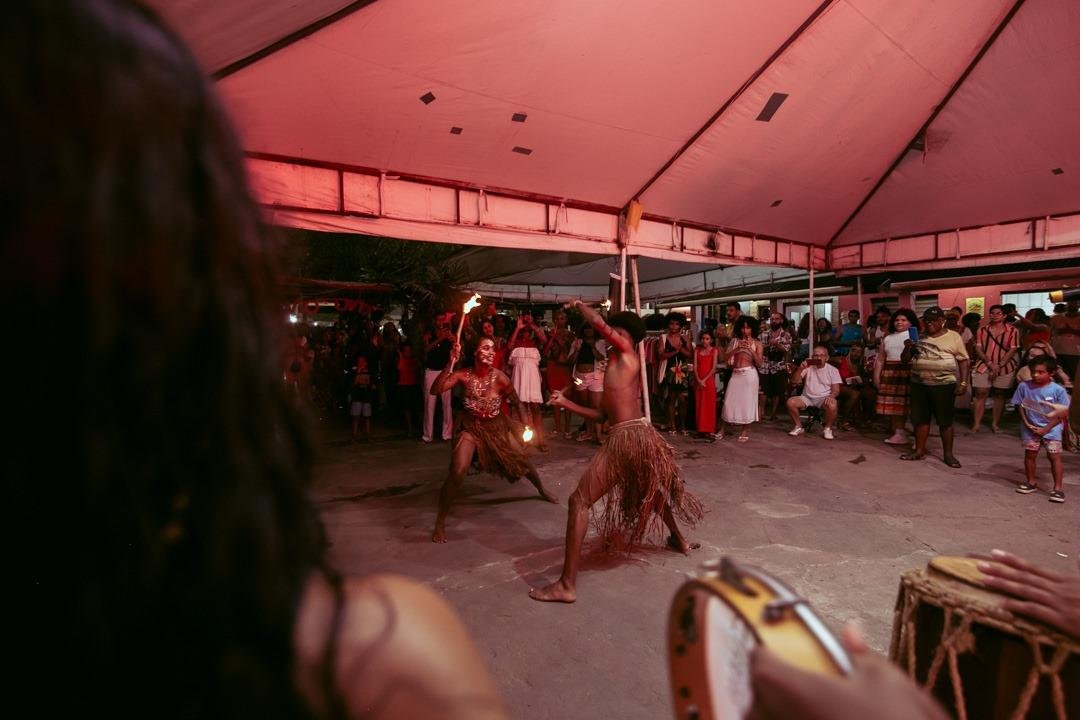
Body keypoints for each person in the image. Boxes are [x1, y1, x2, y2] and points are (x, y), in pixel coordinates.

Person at [4, 2, 508, 717]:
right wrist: (452, 367)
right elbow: (445, 386)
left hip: (492, 423)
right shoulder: (389, 661)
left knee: (517, 464)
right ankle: (441, 518)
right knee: (454, 475)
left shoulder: (497, 368)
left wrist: (523, 398)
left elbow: (497, 391)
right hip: (468, 428)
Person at [530, 303, 703, 603]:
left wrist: (579, 306)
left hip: (628, 437)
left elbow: (600, 324)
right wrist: (565, 403)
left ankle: (567, 585)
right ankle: (679, 539)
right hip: (632, 436)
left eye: (617, 332)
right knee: (651, 492)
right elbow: (601, 416)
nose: (610, 336)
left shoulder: (628, 356)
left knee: (578, 501)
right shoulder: (611, 367)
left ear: (628, 338)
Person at [430, 338, 558, 542]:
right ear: (475, 352)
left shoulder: (500, 377)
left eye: (493, 349)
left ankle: (541, 488)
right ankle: (440, 522)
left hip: (496, 426)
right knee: (458, 470)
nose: (491, 352)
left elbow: (517, 402)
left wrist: (527, 425)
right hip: (471, 427)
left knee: (521, 460)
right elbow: (435, 390)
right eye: (485, 348)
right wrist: (450, 362)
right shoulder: (462, 375)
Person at [899, 307, 969, 468]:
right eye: (926, 321)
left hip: (944, 384)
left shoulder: (953, 336)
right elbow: (904, 360)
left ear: (941, 321)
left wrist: (964, 383)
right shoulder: (919, 336)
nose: (929, 323)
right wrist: (908, 347)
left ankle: (948, 454)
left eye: (932, 321)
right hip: (919, 384)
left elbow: (963, 360)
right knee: (920, 419)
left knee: (945, 421)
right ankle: (919, 450)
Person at [1011, 356, 1070, 502]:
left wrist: (1046, 429)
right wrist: (1027, 423)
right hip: (1030, 428)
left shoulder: (1058, 390)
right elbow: (1020, 405)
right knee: (1030, 455)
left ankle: (1058, 489)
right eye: (1033, 371)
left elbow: (1062, 414)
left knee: (1054, 457)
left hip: (1052, 428)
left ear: (1051, 373)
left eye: (1040, 372)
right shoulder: (1024, 386)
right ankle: (1031, 482)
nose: (1035, 375)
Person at [971, 304, 1020, 433]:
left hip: (1005, 367)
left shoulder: (1013, 330)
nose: (995, 315)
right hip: (984, 365)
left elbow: (1013, 349)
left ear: (1004, 316)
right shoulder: (982, 330)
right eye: (992, 313)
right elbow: (978, 348)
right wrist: (989, 363)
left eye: (998, 313)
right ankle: (976, 424)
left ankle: (995, 423)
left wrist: (999, 365)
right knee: (981, 392)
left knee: (999, 394)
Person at [874, 308, 918, 445]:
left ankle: (918, 437)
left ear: (911, 322)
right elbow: (880, 359)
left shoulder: (915, 337)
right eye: (897, 320)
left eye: (904, 320)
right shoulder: (887, 338)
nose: (899, 322)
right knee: (895, 406)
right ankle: (899, 434)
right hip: (890, 373)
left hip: (909, 373)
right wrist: (876, 377)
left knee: (913, 406)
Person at [507, 313, 548, 450]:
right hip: (519, 377)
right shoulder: (515, 341)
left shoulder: (535, 341)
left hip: (532, 378)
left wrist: (531, 324)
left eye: (527, 329)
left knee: (536, 408)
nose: (525, 331)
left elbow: (544, 339)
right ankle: (525, 439)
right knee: (520, 408)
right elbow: (509, 347)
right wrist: (517, 328)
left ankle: (541, 440)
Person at [787, 345, 843, 439]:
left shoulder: (833, 370)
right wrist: (800, 368)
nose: (818, 358)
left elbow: (836, 390)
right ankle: (798, 427)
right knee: (790, 402)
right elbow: (794, 382)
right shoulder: (808, 367)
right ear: (812, 357)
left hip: (823, 398)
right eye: (816, 355)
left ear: (827, 358)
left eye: (821, 355)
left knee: (833, 404)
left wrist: (832, 396)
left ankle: (827, 429)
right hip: (807, 397)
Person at [721, 316, 763, 442]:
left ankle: (745, 430)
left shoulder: (757, 343)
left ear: (753, 329)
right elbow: (725, 358)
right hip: (735, 374)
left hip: (749, 375)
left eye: (748, 328)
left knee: (747, 403)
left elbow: (760, 363)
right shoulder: (734, 341)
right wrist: (737, 348)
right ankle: (722, 429)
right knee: (728, 402)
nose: (745, 331)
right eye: (743, 328)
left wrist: (750, 349)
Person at [659, 311, 694, 434]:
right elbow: (661, 355)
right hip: (670, 371)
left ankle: (682, 426)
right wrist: (675, 351)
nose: (674, 326)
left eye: (677, 324)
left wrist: (681, 349)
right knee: (671, 398)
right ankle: (673, 426)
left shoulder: (685, 338)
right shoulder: (663, 338)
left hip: (683, 371)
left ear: (680, 325)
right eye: (671, 323)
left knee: (683, 400)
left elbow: (690, 355)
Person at [422, 316, 455, 443]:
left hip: (445, 371)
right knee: (429, 404)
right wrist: (439, 339)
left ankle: (447, 434)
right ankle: (427, 436)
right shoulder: (429, 334)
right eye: (438, 319)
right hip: (431, 371)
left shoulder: (449, 334)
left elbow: (457, 349)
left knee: (447, 405)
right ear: (435, 321)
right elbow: (425, 349)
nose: (440, 322)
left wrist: (453, 339)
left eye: (442, 319)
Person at [544, 309, 575, 439]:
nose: (559, 320)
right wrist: (552, 337)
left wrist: (559, 340)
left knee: (567, 397)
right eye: (557, 318)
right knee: (555, 396)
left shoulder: (570, 334)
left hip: (565, 367)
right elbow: (545, 351)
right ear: (554, 320)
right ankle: (557, 428)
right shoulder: (550, 333)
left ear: (566, 320)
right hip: (553, 366)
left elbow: (570, 352)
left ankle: (567, 428)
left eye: (562, 318)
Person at [759, 311, 793, 421]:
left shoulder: (787, 335)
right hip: (765, 365)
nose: (774, 321)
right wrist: (768, 345)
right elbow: (758, 348)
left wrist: (777, 344)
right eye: (772, 319)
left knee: (777, 391)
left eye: (777, 319)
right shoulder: (764, 334)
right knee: (763, 390)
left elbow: (786, 350)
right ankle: (761, 413)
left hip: (779, 365)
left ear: (781, 320)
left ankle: (773, 414)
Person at [693, 329, 719, 439]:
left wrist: (704, 380)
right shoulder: (697, 350)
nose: (704, 341)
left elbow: (713, 368)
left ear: (711, 340)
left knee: (709, 404)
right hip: (698, 380)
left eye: (707, 339)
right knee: (699, 404)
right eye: (703, 338)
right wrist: (698, 380)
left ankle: (709, 430)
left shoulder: (714, 350)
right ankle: (700, 429)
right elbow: (695, 366)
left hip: (709, 381)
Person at [1050, 296, 1080, 380]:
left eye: (1075, 302)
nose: (1072, 304)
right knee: (1058, 378)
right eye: (1070, 302)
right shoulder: (1056, 318)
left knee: (1075, 378)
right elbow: (1048, 332)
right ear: (1066, 304)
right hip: (1057, 352)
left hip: (1076, 354)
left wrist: (1071, 331)